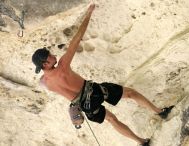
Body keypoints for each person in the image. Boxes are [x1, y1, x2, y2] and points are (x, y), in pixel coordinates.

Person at [32, 4, 174, 146]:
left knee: (112, 120)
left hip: (85, 106)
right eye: (48, 55)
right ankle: (160, 112)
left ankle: (141, 142)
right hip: (94, 92)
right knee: (130, 93)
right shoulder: (62, 66)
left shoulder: (45, 82)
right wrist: (88, 14)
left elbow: (49, 82)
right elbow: (77, 39)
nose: (52, 54)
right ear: (45, 64)